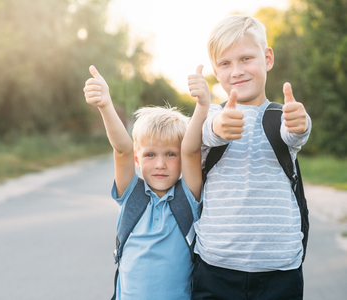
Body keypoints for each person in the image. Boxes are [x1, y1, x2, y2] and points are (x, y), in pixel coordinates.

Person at [188, 14, 312, 300]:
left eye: (246, 59)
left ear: (267, 58)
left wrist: (300, 122)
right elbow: (207, 133)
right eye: (225, 63)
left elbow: (295, 134)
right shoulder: (211, 115)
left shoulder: (281, 116)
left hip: (280, 272)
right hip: (215, 269)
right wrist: (220, 126)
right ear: (216, 72)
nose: (237, 71)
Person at [83, 65, 209, 300]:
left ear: (181, 159)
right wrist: (105, 105)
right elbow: (121, 149)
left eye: (170, 154)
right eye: (150, 155)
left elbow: (191, 150)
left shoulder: (187, 198)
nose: (160, 164)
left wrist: (202, 106)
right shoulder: (132, 196)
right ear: (138, 159)